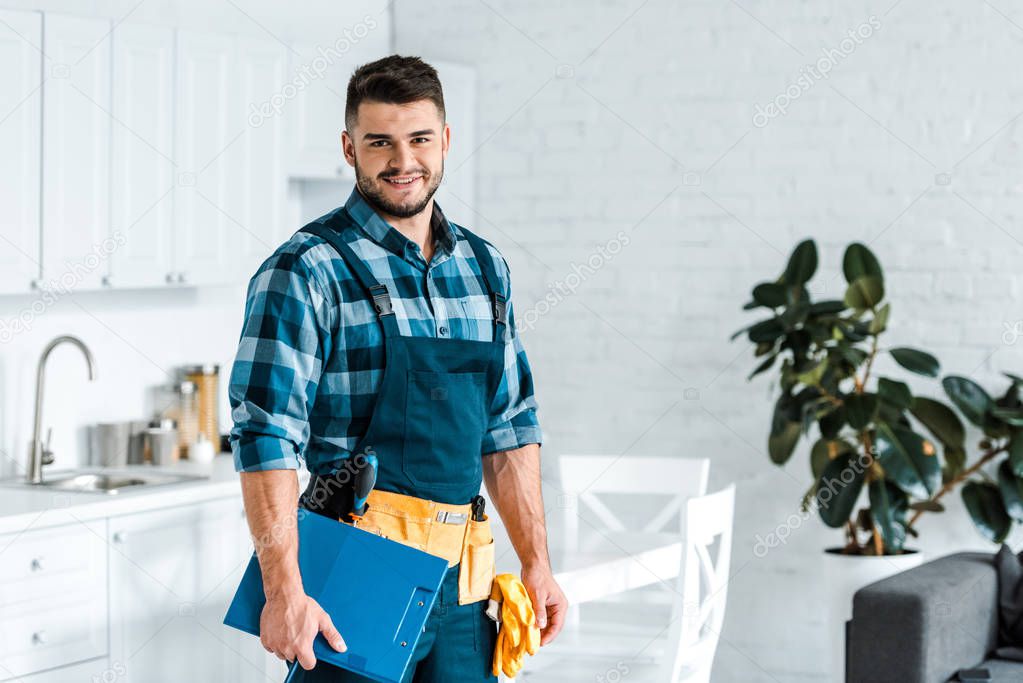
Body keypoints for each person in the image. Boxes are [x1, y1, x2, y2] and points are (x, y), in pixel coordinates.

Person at [228, 54, 567, 682]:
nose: (402, 160)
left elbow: (510, 428)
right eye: (379, 141)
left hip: (467, 584)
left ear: (446, 141)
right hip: (357, 577)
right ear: (349, 147)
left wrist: (536, 563)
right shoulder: (307, 269)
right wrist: (283, 591)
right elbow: (266, 436)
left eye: (419, 139)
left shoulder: (484, 268)